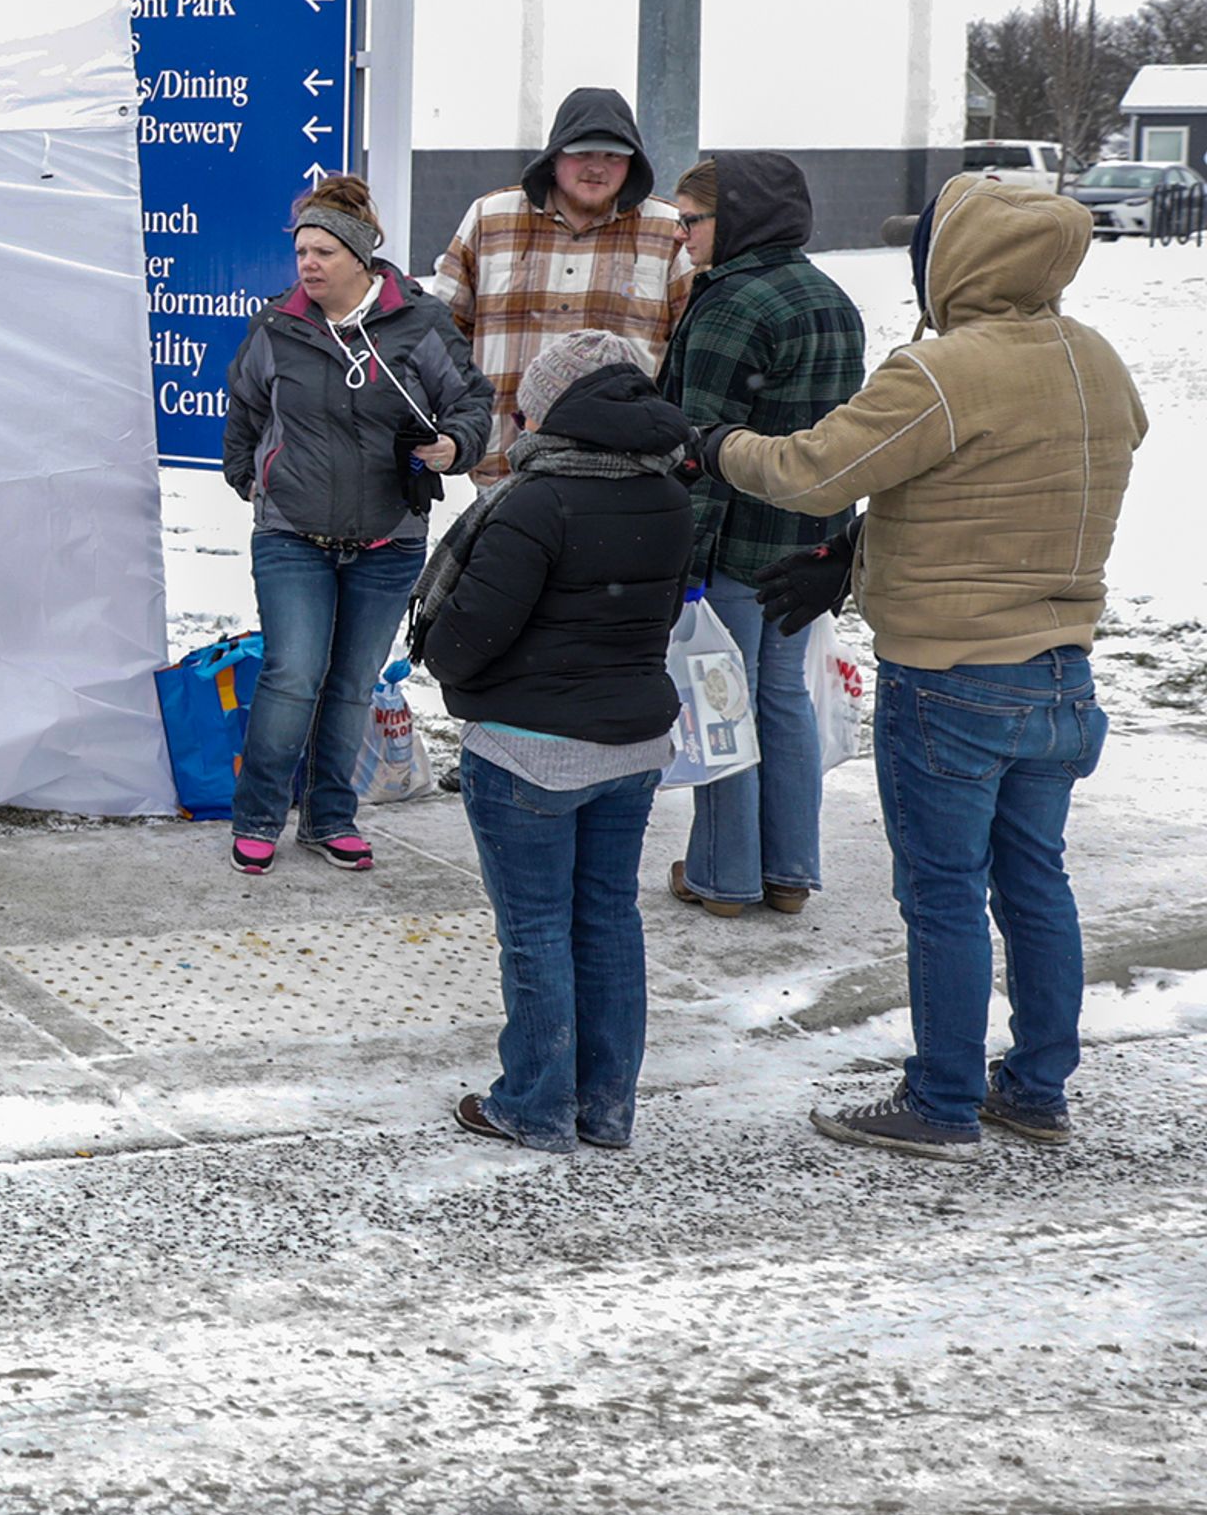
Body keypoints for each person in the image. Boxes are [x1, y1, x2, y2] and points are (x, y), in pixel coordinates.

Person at [708, 173, 1146, 1157]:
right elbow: (998, 487)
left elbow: (808, 467)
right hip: (1062, 675)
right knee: (1036, 882)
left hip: (951, 676)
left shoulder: (947, 369)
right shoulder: (1098, 360)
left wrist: (713, 441)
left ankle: (941, 1099)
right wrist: (855, 554)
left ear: (958, 258)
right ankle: (1036, 1087)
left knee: (943, 893)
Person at [412, 329, 695, 1153]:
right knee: (607, 921)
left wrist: (452, 666)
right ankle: (606, 1107)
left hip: (530, 752)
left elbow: (466, 639)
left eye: (532, 397)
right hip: (632, 748)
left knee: (536, 930)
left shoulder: (536, 500)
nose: (522, 409)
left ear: (559, 405)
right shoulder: (668, 492)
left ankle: (534, 1105)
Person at [216, 173, 485, 875]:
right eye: (302, 250)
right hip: (291, 536)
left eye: (324, 252)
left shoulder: (416, 323)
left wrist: (455, 445)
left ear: (360, 257)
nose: (308, 264)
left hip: (387, 541)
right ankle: (259, 816)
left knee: (351, 683)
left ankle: (330, 815)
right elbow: (243, 410)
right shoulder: (277, 325)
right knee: (293, 674)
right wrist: (250, 478)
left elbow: (471, 401)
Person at [657, 153, 866, 920]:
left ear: (735, 219)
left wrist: (682, 556)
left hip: (735, 542)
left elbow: (699, 444)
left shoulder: (732, 304)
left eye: (691, 220)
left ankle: (723, 875)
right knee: (781, 698)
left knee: (722, 703)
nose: (682, 238)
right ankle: (788, 870)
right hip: (811, 543)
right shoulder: (830, 296)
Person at [433, 85, 695, 483]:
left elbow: (688, 352)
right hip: (504, 463)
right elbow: (444, 334)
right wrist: (461, 427)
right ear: (554, 155)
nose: (597, 167)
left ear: (633, 163)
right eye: (582, 153)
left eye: (613, 156)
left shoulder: (667, 231)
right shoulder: (491, 218)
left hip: (622, 471)